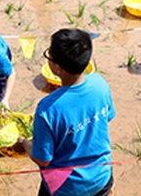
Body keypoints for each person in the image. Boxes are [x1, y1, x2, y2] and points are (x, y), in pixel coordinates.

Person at [20, 29, 115, 196]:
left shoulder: (48, 108)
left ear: (56, 68)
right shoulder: (100, 83)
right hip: (102, 177)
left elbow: (43, 159)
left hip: (66, 188)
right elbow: (106, 118)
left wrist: (24, 144)